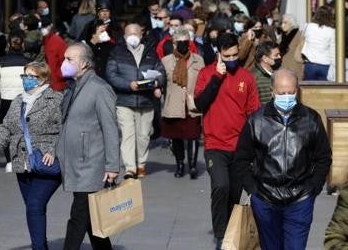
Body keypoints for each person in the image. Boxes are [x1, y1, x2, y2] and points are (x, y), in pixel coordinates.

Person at [234, 68, 332, 250]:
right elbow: (241, 159)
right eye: (282, 93)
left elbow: (323, 157)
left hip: (300, 199)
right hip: (265, 198)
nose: (287, 97)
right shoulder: (256, 121)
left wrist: (314, 187)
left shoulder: (311, 119)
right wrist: (253, 190)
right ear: (272, 92)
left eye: (291, 92)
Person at [0, 61, 63, 250]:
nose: (26, 79)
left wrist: (53, 150)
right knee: (33, 209)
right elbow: (5, 128)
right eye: (24, 75)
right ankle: (40, 245)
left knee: (34, 206)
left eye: (31, 76)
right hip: (22, 163)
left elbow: (65, 129)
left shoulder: (56, 99)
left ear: (43, 79)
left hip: (47, 162)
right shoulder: (18, 100)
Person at [194, 32, 260, 250]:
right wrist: (217, 77)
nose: (232, 60)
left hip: (240, 147)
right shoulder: (206, 74)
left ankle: (232, 233)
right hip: (215, 145)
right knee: (220, 186)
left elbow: (253, 112)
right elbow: (200, 103)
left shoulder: (246, 78)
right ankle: (221, 235)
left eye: (234, 55)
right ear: (218, 54)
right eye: (227, 56)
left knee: (234, 193)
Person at [56, 43, 120, 250]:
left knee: (78, 217)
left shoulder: (99, 88)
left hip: (90, 165)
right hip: (76, 163)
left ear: (84, 63)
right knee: (93, 221)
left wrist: (112, 165)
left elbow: (111, 129)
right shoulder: (74, 86)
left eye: (69, 59)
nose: (64, 63)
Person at [105, 23, 164, 179]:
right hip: (124, 100)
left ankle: (141, 165)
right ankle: (130, 168)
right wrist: (128, 85)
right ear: (124, 36)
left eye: (136, 33)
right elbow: (111, 75)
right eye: (129, 34)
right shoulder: (117, 52)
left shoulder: (150, 52)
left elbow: (161, 73)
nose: (133, 36)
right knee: (128, 134)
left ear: (141, 35)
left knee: (144, 135)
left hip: (146, 101)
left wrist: (155, 83)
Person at [161, 29, 205, 179]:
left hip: (192, 103)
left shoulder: (198, 60)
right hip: (174, 103)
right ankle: (180, 164)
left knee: (193, 136)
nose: (183, 45)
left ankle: (192, 166)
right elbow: (161, 82)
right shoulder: (166, 61)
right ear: (173, 43)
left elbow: (203, 81)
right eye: (180, 42)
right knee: (176, 137)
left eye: (186, 42)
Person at [0, 31, 33, 127]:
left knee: (5, 127)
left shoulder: (0, 61)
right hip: (24, 102)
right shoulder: (30, 63)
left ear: (8, 45)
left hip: (5, 102)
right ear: (22, 45)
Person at [82, 0, 118, 78]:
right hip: (94, 62)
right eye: (102, 11)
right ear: (98, 13)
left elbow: (120, 44)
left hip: (110, 62)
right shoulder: (90, 26)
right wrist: (93, 41)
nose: (104, 13)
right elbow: (81, 44)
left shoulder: (116, 27)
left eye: (107, 11)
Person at [301, 5, 336, 81]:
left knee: (309, 89)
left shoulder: (308, 26)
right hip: (325, 64)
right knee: (323, 90)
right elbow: (333, 50)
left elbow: (303, 36)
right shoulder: (332, 31)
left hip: (310, 63)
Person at [40, 16, 67, 91]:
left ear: (51, 25)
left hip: (57, 83)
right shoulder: (45, 40)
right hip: (51, 82)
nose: (43, 29)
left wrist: (58, 77)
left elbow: (62, 62)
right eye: (42, 27)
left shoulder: (56, 41)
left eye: (45, 26)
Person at [252, 41, 282, 105]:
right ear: (265, 58)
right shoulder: (255, 78)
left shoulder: (280, 74)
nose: (279, 57)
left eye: (279, 54)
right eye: (276, 55)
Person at [279, 14, 304, 80]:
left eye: (285, 22)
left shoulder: (299, 34)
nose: (282, 25)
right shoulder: (283, 36)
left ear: (291, 23)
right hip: (283, 68)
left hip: (295, 68)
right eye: (282, 22)